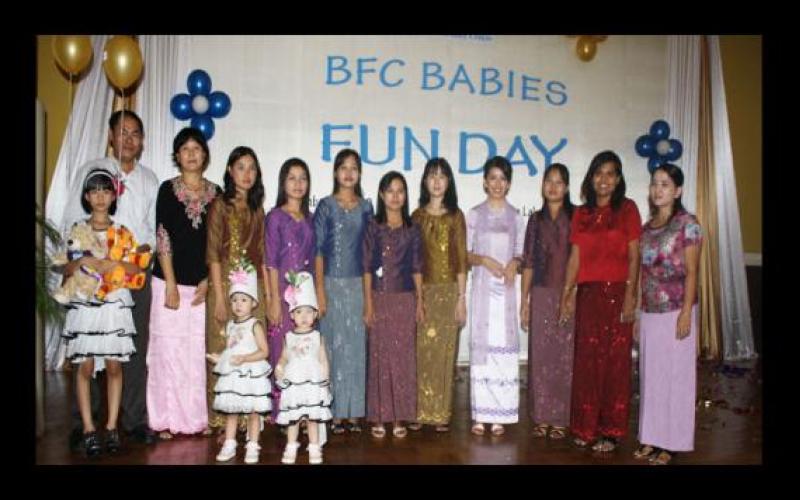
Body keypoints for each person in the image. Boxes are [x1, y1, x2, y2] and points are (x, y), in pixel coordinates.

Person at [62, 110, 159, 449]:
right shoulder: (91, 171)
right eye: (122, 132)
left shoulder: (149, 179)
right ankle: (84, 423)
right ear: (110, 136)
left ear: (142, 141)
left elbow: (153, 231)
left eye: (135, 133)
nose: (128, 139)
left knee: (132, 347)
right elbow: (72, 222)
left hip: (132, 274)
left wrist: (133, 256)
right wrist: (90, 262)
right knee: (86, 350)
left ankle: (131, 420)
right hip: (91, 273)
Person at [558, 150, 642, 453]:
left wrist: (631, 296)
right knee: (587, 363)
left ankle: (611, 430)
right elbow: (575, 258)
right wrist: (567, 295)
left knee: (615, 365)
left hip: (618, 294)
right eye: (598, 173)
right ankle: (585, 426)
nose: (603, 179)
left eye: (610, 173)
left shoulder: (628, 209)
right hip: (589, 296)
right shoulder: (581, 213)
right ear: (591, 177)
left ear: (618, 179)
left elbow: (634, 256)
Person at [59, 168, 142, 457]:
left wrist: (113, 264)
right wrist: (84, 261)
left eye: (105, 190)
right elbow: (66, 267)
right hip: (85, 303)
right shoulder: (78, 231)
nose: (100, 196)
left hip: (113, 304)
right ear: (86, 197)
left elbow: (136, 267)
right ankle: (88, 429)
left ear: (113, 196)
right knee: (84, 368)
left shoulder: (122, 232)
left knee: (114, 367)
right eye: (94, 191)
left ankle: (111, 427)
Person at [147, 127, 221, 440]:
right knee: (166, 351)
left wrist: (207, 281)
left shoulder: (217, 193)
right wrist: (171, 284)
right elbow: (162, 235)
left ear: (205, 154)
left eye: (197, 148)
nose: (191, 154)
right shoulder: (167, 189)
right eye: (185, 149)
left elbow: (217, 244)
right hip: (169, 283)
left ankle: (197, 419)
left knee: (195, 353)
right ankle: (163, 420)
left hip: (202, 287)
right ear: (177, 155)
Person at [633, 164, 701, 466]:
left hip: (676, 310)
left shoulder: (688, 224)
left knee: (676, 378)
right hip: (650, 311)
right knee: (651, 378)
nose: (658, 189)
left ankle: (672, 442)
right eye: (654, 183)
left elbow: (693, 271)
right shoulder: (647, 228)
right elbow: (642, 273)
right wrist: (638, 313)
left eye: (665, 184)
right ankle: (651, 436)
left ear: (678, 190)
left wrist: (686, 312)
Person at [206, 146, 270, 435]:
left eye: (252, 168)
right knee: (224, 351)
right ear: (230, 171)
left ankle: (249, 419)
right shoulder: (220, 205)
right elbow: (213, 254)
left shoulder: (258, 210)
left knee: (250, 350)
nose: (247, 174)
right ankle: (224, 421)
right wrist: (220, 298)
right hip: (223, 286)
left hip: (253, 289)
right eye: (241, 167)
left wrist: (267, 296)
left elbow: (262, 255)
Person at [313, 149, 373, 434]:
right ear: (335, 172)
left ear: (359, 173)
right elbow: (318, 251)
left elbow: (369, 254)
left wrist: (369, 296)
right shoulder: (325, 206)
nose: (348, 173)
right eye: (343, 168)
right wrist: (320, 292)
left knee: (356, 347)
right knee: (333, 347)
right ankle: (335, 412)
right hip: (331, 285)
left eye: (354, 168)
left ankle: (354, 412)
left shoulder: (366, 208)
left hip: (358, 286)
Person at [466, 156, 526, 437]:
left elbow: (521, 252)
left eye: (503, 178)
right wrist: (484, 260)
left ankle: (501, 412)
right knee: (483, 350)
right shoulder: (475, 214)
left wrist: (516, 261)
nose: (498, 184)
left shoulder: (516, 216)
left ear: (509, 183)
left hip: (506, 293)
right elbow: (464, 254)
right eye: (493, 178)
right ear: (484, 182)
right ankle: (481, 414)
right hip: (482, 292)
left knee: (503, 349)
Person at [362, 171, 423, 439]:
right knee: (379, 356)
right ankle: (379, 416)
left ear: (406, 195)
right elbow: (366, 268)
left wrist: (420, 302)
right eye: (390, 191)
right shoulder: (373, 226)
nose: (395, 196)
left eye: (400, 191)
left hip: (405, 299)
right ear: (381, 194)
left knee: (402, 359)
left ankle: (399, 416)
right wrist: (368, 304)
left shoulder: (413, 228)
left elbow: (417, 267)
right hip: (379, 297)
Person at [409, 158, 467, 433]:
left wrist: (461, 298)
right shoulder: (416, 217)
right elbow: (414, 262)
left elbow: (460, 260)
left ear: (449, 182)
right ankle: (420, 411)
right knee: (421, 353)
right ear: (424, 181)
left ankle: (441, 413)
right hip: (423, 292)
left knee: (445, 354)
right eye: (432, 175)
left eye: (442, 176)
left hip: (449, 292)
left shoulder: (456, 216)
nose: (436, 181)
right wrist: (418, 296)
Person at [520, 163, 576, 440]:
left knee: (564, 357)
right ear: (542, 185)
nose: (553, 187)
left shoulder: (576, 217)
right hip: (541, 294)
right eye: (548, 181)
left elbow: (579, 259)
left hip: (569, 293)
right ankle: (542, 416)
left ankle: (561, 417)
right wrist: (524, 300)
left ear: (567, 187)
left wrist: (571, 293)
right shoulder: (535, 220)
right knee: (541, 356)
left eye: (558, 182)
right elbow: (528, 262)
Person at [265, 158, 316, 414]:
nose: (298, 184)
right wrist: (273, 300)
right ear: (283, 183)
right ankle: (283, 409)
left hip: (305, 297)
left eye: (303, 178)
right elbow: (270, 262)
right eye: (292, 178)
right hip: (283, 296)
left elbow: (315, 259)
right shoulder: (275, 217)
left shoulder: (311, 219)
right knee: (282, 350)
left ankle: (303, 409)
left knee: (304, 352)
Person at [208, 260, 271, 464]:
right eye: (234, 300)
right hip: (235, 374)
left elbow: (264, 351)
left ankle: (253, 444)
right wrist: (219, 358)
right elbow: (230, 351)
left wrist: (246, 358)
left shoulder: (255, 325)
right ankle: (229, 443)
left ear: (253, 303)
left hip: (251, 373)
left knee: (253, 411)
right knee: (232, 410)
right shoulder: (230, 326)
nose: (238, 304)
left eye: (244, 300)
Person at [275, 271, 333, 464]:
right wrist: (280, 366)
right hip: (294, 381)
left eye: (309, 312)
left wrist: (325, 378)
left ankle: (314, 447)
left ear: (315, 314)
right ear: (292, 315)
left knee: (312, 417)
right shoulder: (289, 337)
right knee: (293, 417)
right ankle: (291, 445)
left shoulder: (317, 337)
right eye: (299, 312)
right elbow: (285, 356)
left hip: (312, 381)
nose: (304, 316)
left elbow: (323, 358)